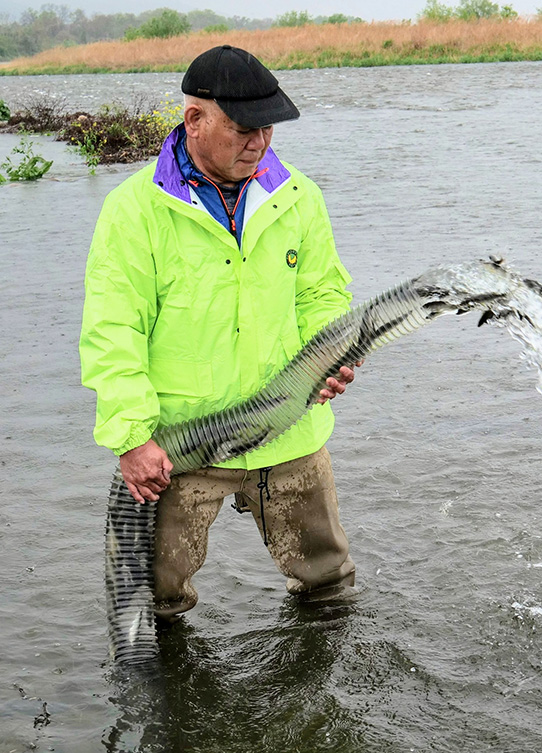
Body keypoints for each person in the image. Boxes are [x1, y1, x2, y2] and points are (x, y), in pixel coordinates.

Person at [80, 45, 359, 620]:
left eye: (267, 129)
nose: (257, 144)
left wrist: (332, 356)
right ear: (195, 120)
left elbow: (322, 295)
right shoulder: (134, 211)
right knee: (153, 604)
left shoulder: (299, 197)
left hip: (290, 434)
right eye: (241, 130)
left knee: (329, 587)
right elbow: (114, 331)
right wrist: (132, 437)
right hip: (179, 447)